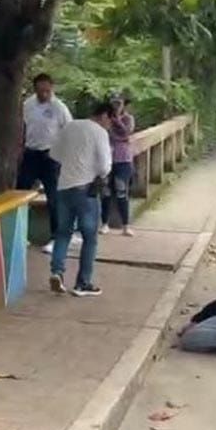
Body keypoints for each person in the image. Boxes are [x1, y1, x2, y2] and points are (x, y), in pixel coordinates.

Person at [49, 102, 113, 298]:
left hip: (64, 187)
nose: (110, 125)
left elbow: (54, 154)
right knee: (90, 237)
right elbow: (105, 166)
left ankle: (57, 272)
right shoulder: (99, 132)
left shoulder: (70, 126)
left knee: (63, 233)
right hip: (86, 190)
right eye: (111, 120)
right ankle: (82, 283)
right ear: (104, 116)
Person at [18, 74, 74, 254]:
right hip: (31, 153)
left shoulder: (59, 108)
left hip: (51, 155)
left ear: (52, 89)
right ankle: (20, 234)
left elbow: (69, 132)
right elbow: (22, 127)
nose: (44, 94)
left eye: (47, 91)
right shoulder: (28, 105)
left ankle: (56, 237)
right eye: (41, 91)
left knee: (54, 197)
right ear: (35, 90)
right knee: (20, 194)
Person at [101, 94, 136, 236]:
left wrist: (117, 120)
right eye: (113, 103)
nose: (116, 106)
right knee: (106, 191)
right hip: (107, 158)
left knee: (122, 191)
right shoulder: (105, 118)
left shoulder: (128, 118)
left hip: (123, 159)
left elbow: (126, 133)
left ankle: (126, 225)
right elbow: (105, 133)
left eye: (119, 103)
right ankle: (104, 223)